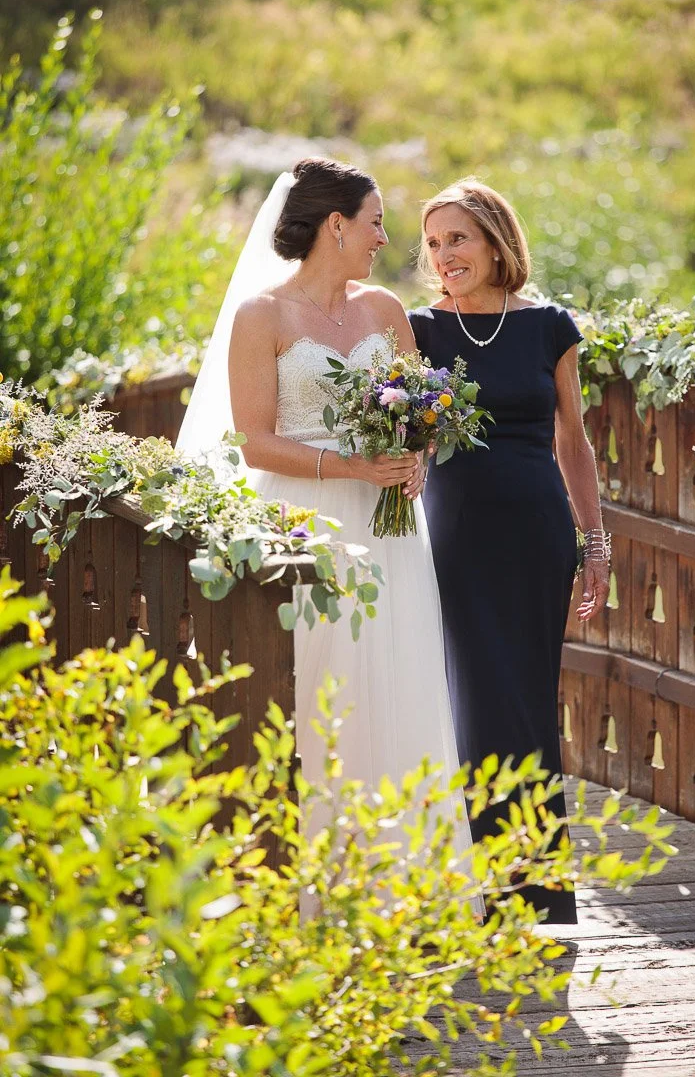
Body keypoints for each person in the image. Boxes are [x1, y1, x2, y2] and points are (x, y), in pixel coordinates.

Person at [177, 157, 476, 874]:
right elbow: (252, 442)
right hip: (302, 527)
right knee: (312, 684)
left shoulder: (385, 311)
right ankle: (305, 875)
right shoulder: (262, 315)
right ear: (336, 224)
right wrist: (352, 466)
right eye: (375, 221)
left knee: (397, 680)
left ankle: (398, 877)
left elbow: (424, 408)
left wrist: (416, 454)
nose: (383, 238)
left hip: (391, 526)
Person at [408, 178, 610, 924]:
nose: (444, 255)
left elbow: (573, 443)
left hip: (536, 535)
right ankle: (488, 888)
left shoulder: (551, 326)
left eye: (456, 238)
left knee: (529, 705)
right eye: (433, 243)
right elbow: (405, 441)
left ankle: (541, 892)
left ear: (495, 240)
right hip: (454, 536)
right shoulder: (418, 329)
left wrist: (596, 545)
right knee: (476, 702)